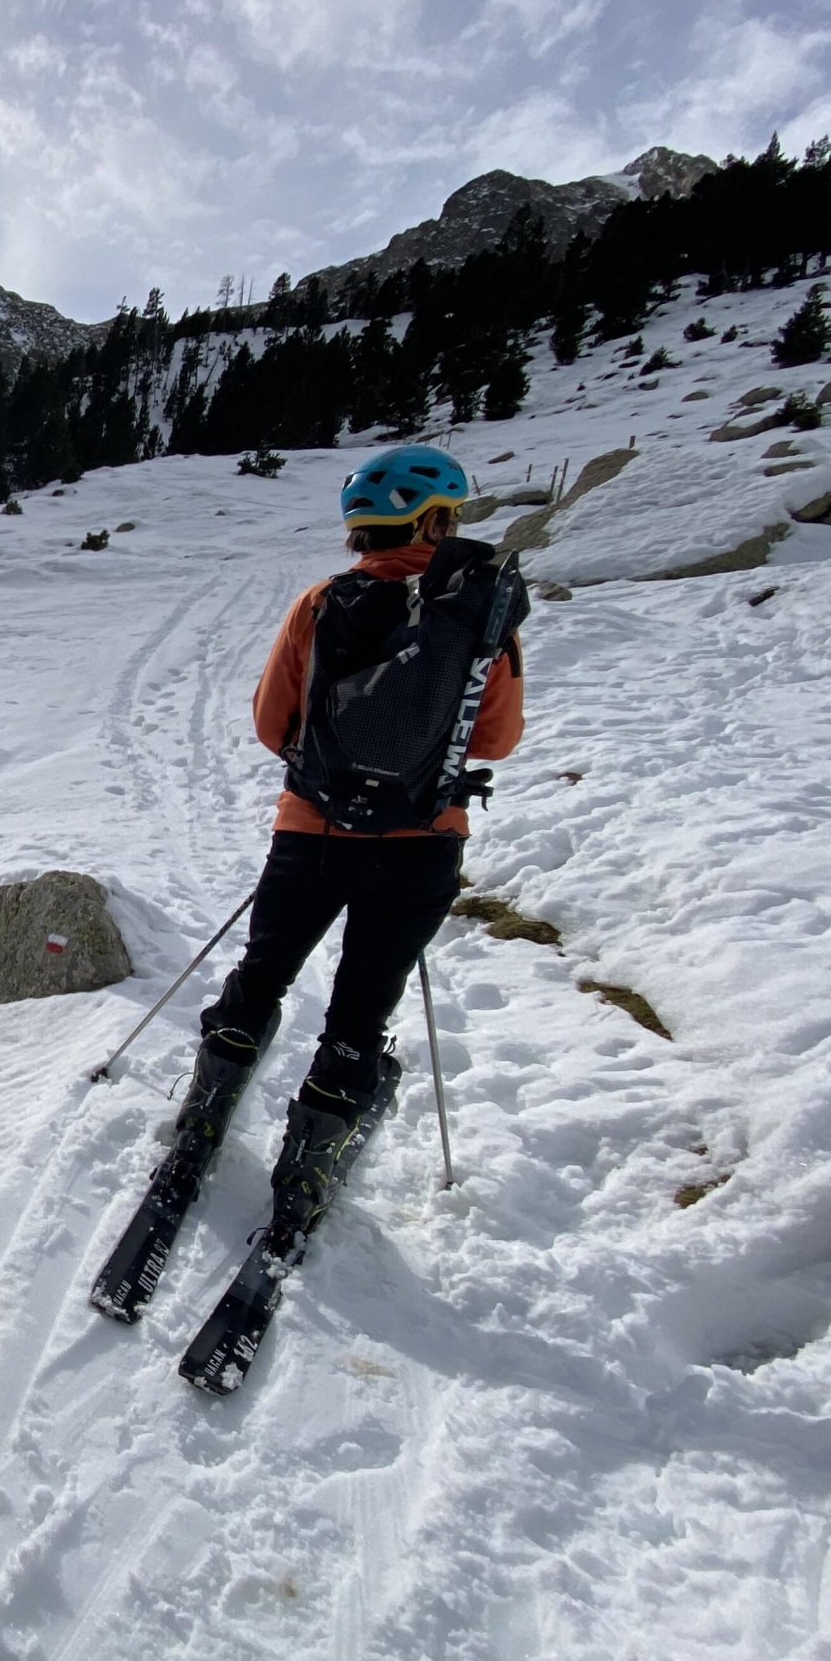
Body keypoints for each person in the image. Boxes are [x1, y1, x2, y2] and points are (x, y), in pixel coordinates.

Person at [176, 444, 526, 1238]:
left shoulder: (320, 603)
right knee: (361, 1011)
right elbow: (498, 739)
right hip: (422, 843)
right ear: (440, 518)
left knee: (262, 976)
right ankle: (309, 1165)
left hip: (313, 834)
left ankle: (205, 1112)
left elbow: (273, 724)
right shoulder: (481, 610)